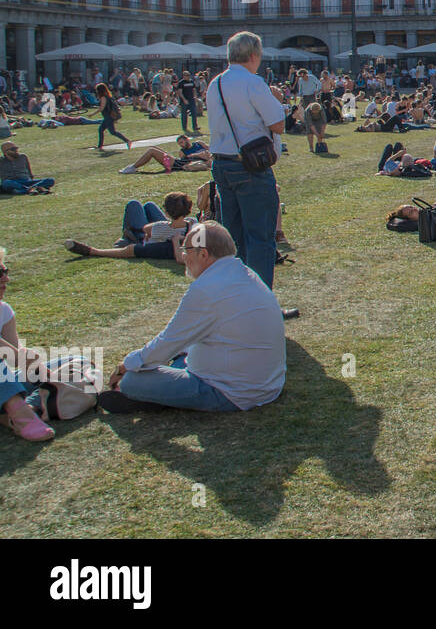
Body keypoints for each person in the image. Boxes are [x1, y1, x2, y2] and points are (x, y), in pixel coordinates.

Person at [98, 222, 286, 413]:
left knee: (132, 380)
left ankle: (144, 397)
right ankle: (157, 397)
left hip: (231, 391)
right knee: (180, 354)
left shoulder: (206, 288)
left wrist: (124, 367)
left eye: (186, 250)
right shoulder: (244, 273)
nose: (183, 256)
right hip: (266, 384)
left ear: (203, 254)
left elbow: (167, 342)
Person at [205, 31, 286, 293]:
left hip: (222, 164)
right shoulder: (253, 83)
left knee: (234, 238)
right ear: (253, 56)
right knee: (260, 238)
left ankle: (236, 299)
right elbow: (278, 124)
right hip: (250, 166)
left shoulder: (215, 83)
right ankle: (260, 304)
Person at [0, 254, 57, 441]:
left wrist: (32, 360)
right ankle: (23, 416)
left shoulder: (4, 310)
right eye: (0, 273)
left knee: (73, 364)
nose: (6, 278)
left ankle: (20, 409)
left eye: (5, 271)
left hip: (5, 382)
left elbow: (14, 357)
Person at [64, 191, 195, 261]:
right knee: (149, 205)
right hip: (171, 227)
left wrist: (164, 225)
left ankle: (126, 236)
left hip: (148, 237)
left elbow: (146, 229)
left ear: (166, 211)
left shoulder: (161, 227)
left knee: (134, 204)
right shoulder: (193, 223)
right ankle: (127, 236)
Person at [94, 82, 131, 150]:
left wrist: (92, 114)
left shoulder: (103, 98)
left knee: (112, 132)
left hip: (108, 117)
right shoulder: (109, 96)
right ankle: (100, 146)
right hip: (108, 116)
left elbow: (101, 108)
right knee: (101, 130)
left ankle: (127, 141)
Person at [177, 70, 202, 134]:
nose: (188, 76)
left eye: (189, 75)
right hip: (184, 100)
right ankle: (184, 127)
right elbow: (180, 92)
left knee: (194, 113)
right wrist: (184, 99)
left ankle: (195, 126)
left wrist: (195, 97)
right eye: (187, 75)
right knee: (184, 114)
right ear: (184, 76)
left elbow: (194, 89)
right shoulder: (181, 83)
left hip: (192, 100)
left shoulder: (191, 81)